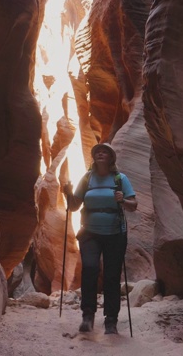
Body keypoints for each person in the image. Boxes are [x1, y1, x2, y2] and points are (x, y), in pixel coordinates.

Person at [62, 142, 137, 334]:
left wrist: (123, 200)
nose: (100, 154)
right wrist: (68, 193)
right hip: (90, 233)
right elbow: (73, 206)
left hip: (115, 234)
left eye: (104, 152)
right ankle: (88, 315)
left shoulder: (120, 179)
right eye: (97, 152)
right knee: (90, 268)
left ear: (111, 157)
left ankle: (111, 320)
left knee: (112, 275)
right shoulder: (87, 179)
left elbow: (133, 205)